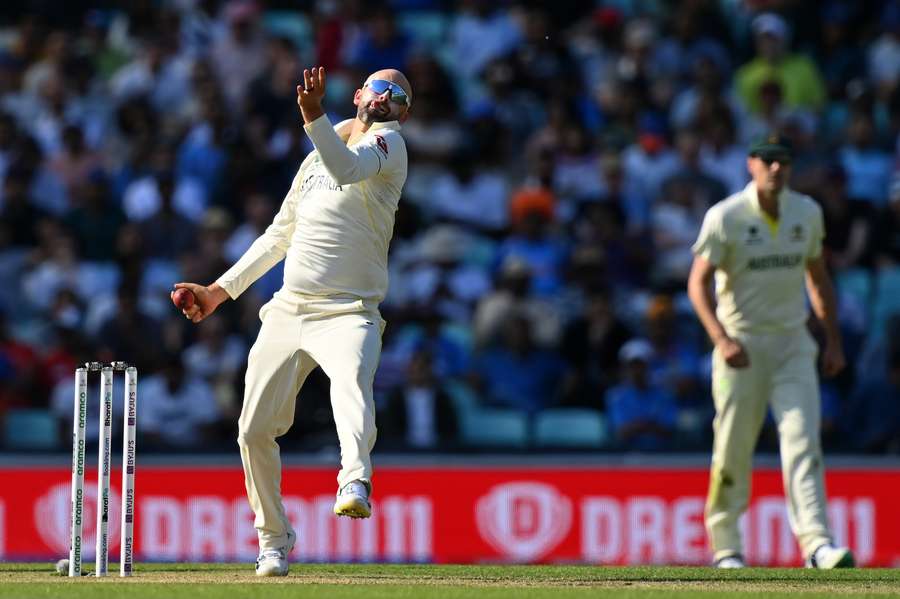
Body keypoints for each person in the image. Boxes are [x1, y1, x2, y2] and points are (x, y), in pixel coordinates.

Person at [171, 65, 411, 576]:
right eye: (379, 86)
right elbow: (279, 235)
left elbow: (347, 168)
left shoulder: (389, 146)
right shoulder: (314, 158)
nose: (387, 96)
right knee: (252, 430)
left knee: (350, 384)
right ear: (359, 94)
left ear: (402, 112)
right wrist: (218, 291)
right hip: (288, 308)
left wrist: (313, 115)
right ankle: (273, 540)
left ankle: (354, 482)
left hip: (349, 311)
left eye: (397, 94)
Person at [687, 134, 853, 569]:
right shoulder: (725, 217)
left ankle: (817, 544)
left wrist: (832, 340)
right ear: (751, 164)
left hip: (793, 344)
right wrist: (721, 339)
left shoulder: (806, 212)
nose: (776, 168)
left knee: (802, 440)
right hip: (741, 344)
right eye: (768, 160)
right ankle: (726, 548)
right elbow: (697, 284)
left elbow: (817, 281)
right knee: (733, 447)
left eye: (784, 161)